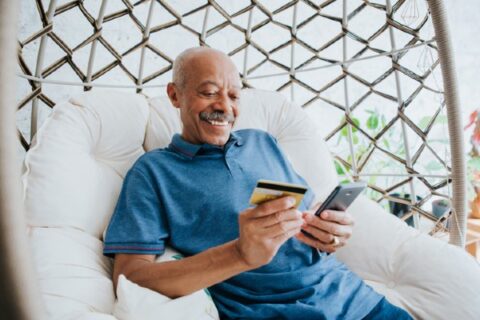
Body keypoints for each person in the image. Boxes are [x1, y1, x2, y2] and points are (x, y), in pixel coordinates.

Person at [103, 47, 412, 319]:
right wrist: (239, 254)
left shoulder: (262, 142)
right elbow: (131, 279)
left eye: (234, 95)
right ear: (175, 95)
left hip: (358, 302)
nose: (224, 106)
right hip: (272, 312)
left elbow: (306, 216)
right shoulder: (154, 172)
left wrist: (330, 232)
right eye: (209, 92)